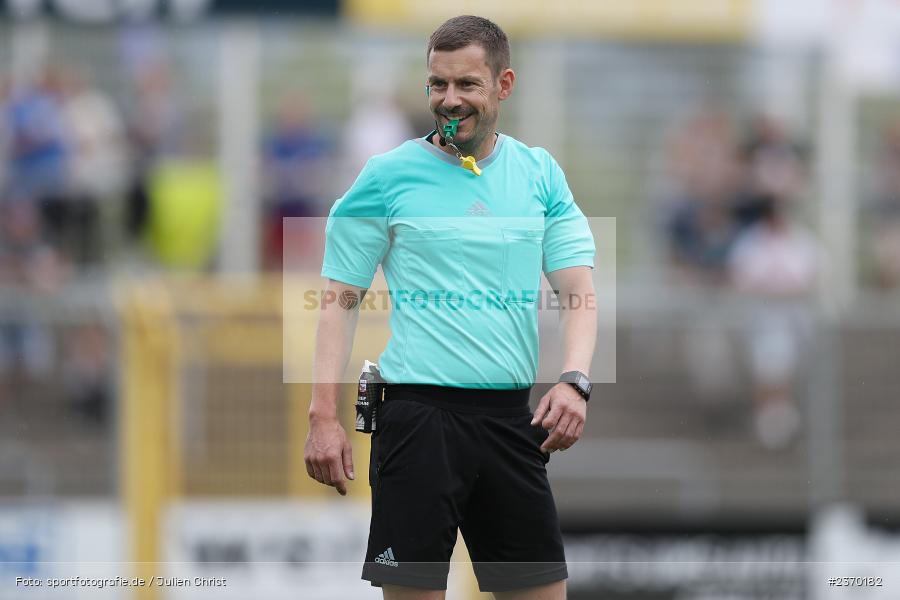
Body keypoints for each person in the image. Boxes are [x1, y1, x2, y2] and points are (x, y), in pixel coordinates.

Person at [304, 15, 597, 600]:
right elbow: (338, 300)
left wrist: (575, 380)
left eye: (467, 85)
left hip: (514, 426)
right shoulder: (386, 177)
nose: (450, 100)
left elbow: (578, 291)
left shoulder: (539, 174)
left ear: (503, 85)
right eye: (438, 85)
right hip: (417, 422)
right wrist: (323, 415)